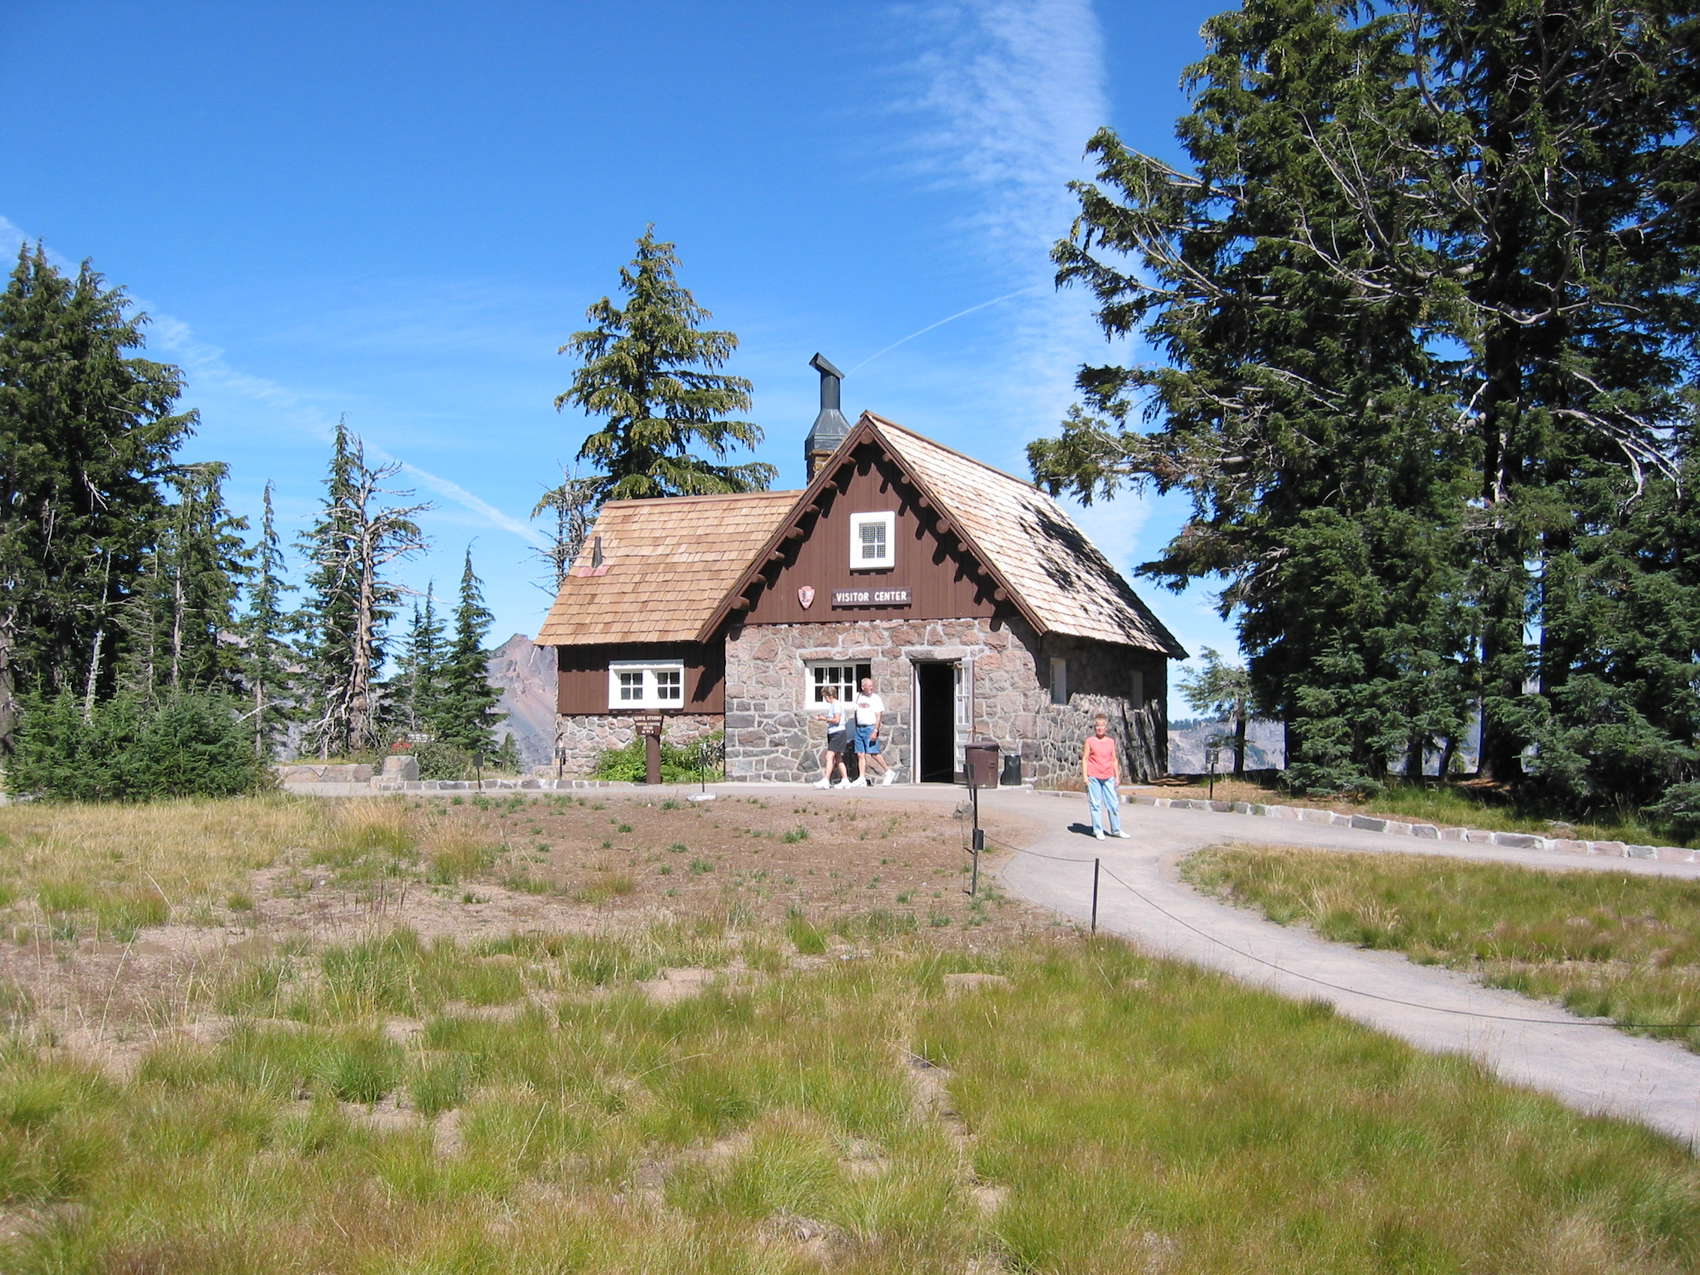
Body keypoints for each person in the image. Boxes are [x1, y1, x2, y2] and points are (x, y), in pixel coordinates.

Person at [1081, 713, 1129, 839]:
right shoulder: (1090, 741)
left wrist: (1117, 776)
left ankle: (1116, 830)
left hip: (1108, 776)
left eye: (1102, 726)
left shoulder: (1110, 742)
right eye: (1097, 726)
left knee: (1113, 804)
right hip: (1094, 776)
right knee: (1095, 804)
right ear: (1094, 727)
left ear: (1106, 727)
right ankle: (1097, 830)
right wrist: (1085, 777)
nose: (1100, 728)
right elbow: (1085, 759)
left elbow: (1114, 759)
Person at [851, 675, 895, 786]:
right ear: (863, 687)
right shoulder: (857, 697)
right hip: (859, 728)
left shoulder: (875, 698)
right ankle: (861, 778)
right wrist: (856, 726)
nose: (871, 688)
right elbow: (855, 712)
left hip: (870, 728)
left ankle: (888, 772)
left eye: (872, 685)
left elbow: (878, 715)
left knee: (873, 753)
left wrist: (875, 730)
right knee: (860, 754)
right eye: (869, 686)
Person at [813, 687, 852, 789]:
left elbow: (837, 720)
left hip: (838, 733)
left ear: (828, 696)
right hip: (834, 733)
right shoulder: (833, 705)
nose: (824, 699)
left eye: (824, 696)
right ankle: (845, 780)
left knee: (829, 756)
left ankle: (826, 780)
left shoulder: (836, 705)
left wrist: (823, 718)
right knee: (838, 757)